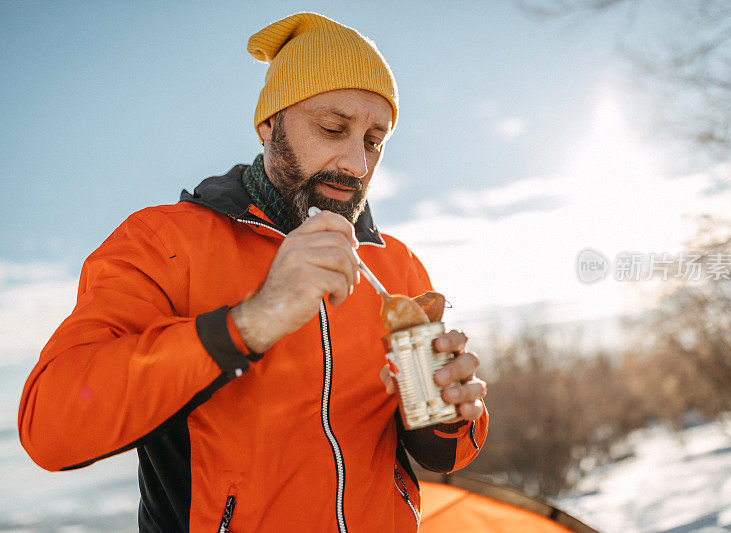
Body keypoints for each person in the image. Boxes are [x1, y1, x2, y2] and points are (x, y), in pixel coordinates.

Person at [18, 12, 488, 532]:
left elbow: (446, 454)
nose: (357, 162)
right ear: (269, 124)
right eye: (333, 129)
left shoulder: (395, 265)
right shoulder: (165, 243)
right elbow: (51, 427)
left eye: (374, 140)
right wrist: (252, 321)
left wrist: (445, 414)